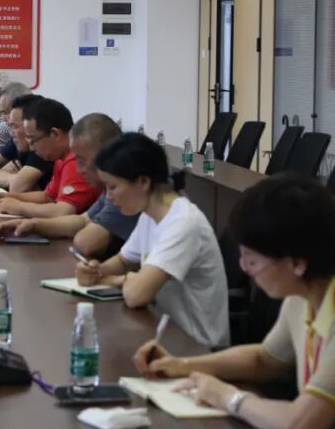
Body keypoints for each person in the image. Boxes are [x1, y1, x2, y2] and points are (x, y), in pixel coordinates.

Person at [134, 175, 335, 429]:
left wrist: (231, 398)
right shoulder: (306, 291)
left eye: (252, 260)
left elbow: (299, 425)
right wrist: (180, 365)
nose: (244, 268)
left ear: (297, 263)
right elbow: (264, 359)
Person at [76, 132, 228, 348]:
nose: (108, 197)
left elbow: (136, 295)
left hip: (197, 348)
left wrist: (112, 280)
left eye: (112, 187)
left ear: (143, 182)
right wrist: (96, 271)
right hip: (165, 334)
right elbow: (123, 261)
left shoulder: (183, 222)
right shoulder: (150, 214)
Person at [0, 113, 135, 255]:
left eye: (82, 161)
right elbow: (81, 221)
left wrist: (20, 208)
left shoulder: (125, 192)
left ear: (106, 157)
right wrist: (34, 225)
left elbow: (86, 243)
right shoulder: (108, 190)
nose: (79, 169)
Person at [0, 97, 100, 219]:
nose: (31, 147)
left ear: (55, 134)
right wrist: (10, 197)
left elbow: (63, 211)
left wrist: (18, 207)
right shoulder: (60, 158)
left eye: (33, 140)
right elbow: (48, 197)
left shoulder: (77, 160)